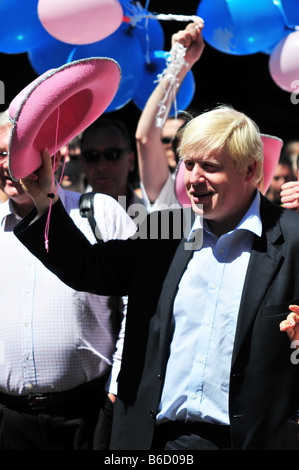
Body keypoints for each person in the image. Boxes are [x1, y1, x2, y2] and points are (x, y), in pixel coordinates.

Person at [15, 105, 299, 450]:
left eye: (210, 167)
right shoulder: (163, 232)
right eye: (189, 164)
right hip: (158, 442)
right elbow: (88, 267)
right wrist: (45, 200)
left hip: (254, 440)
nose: (194, 179)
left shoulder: (292, 238)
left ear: (251, 170)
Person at [0, 109, 136, 450]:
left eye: (18, 151)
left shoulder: (100, 212)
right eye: (2, 153)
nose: (9, 163)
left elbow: (139, 307)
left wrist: (116, 393)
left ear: (53, 156)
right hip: (9, 423)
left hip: (88, 417)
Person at [135, 20, 204, 211]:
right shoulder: (168, 190)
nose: (177, 147)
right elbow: (146, 138)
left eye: (183, 140)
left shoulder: (223, 186)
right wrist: (179, 65)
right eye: (166, 140)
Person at [80, 117, 143, 212]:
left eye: (112, 154)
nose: (101, 165)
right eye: (91, 156)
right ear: (82, 163)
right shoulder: (69, 218)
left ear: (131, 160)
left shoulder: (155, 216)